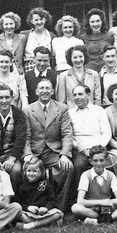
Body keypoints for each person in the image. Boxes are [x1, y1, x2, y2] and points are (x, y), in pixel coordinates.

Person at [23, 78, 74, 211]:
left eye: (47, 88)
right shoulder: (28, 110)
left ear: (52, 91)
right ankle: (30, 205)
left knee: (68, 168)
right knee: (25, 169)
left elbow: (67, 133)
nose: (44, 91)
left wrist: (64, 154)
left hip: (53, 151)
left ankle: (59, 206)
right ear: (36, 91)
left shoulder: (62, 108)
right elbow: (26, 136)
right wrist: (27, 154)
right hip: (35, 151)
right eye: (42, 88)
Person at [70, 145, 117, 225]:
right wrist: (102, 202)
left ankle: (99, 220)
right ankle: (111, 219)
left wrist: (108, 202)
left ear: (106, 160)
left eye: (101, 160)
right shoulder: (86, 175)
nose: (98, 164)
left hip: (107, 208)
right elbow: (80, 201)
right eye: (95, 161)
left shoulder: (111, 175)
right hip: (92, 209)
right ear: (91, 161)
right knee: (75, 208)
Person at [68, 85, 112, 181]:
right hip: (80, 150)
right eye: (75, 95)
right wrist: (80, 148)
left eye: (80, 94)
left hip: (99, 148)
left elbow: (106, 133)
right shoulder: (70, 113)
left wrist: (97, 149)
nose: (77, 97)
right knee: (79, 165)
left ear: (88, 95)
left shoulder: (99, 110)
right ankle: (80, 194)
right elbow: (69, 135)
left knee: (108, 163)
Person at [15, 156, 64, 230]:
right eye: (29, 171)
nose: (31, 174)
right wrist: (28, 208)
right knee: (19, 215)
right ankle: (46, 223)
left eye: (34, 171)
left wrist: (46, 208)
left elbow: (52, 200)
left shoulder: (46, 184)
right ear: (25, 172)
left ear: (41, 172)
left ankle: (31, 225)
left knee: (58, 213)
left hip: (44, 213)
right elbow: (20, 203)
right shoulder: (23, 186)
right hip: (30, 213)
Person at [57, 45, 101, 110]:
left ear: (85, 57)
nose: (78, 60)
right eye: (75, 57)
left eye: (80, 57)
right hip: (72, 114)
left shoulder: (94, 74)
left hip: (91, 113)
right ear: (70, 59)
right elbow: (62, 101)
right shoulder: (64, 76)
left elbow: (97, 98)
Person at [21, 8, 56, 72]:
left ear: (45, 19)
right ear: (32, 21)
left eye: (41, 19)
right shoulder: (25, 35)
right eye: (36, 20)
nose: (39, 22)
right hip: (29, 66)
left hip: (46, 66)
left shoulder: (52, 36)